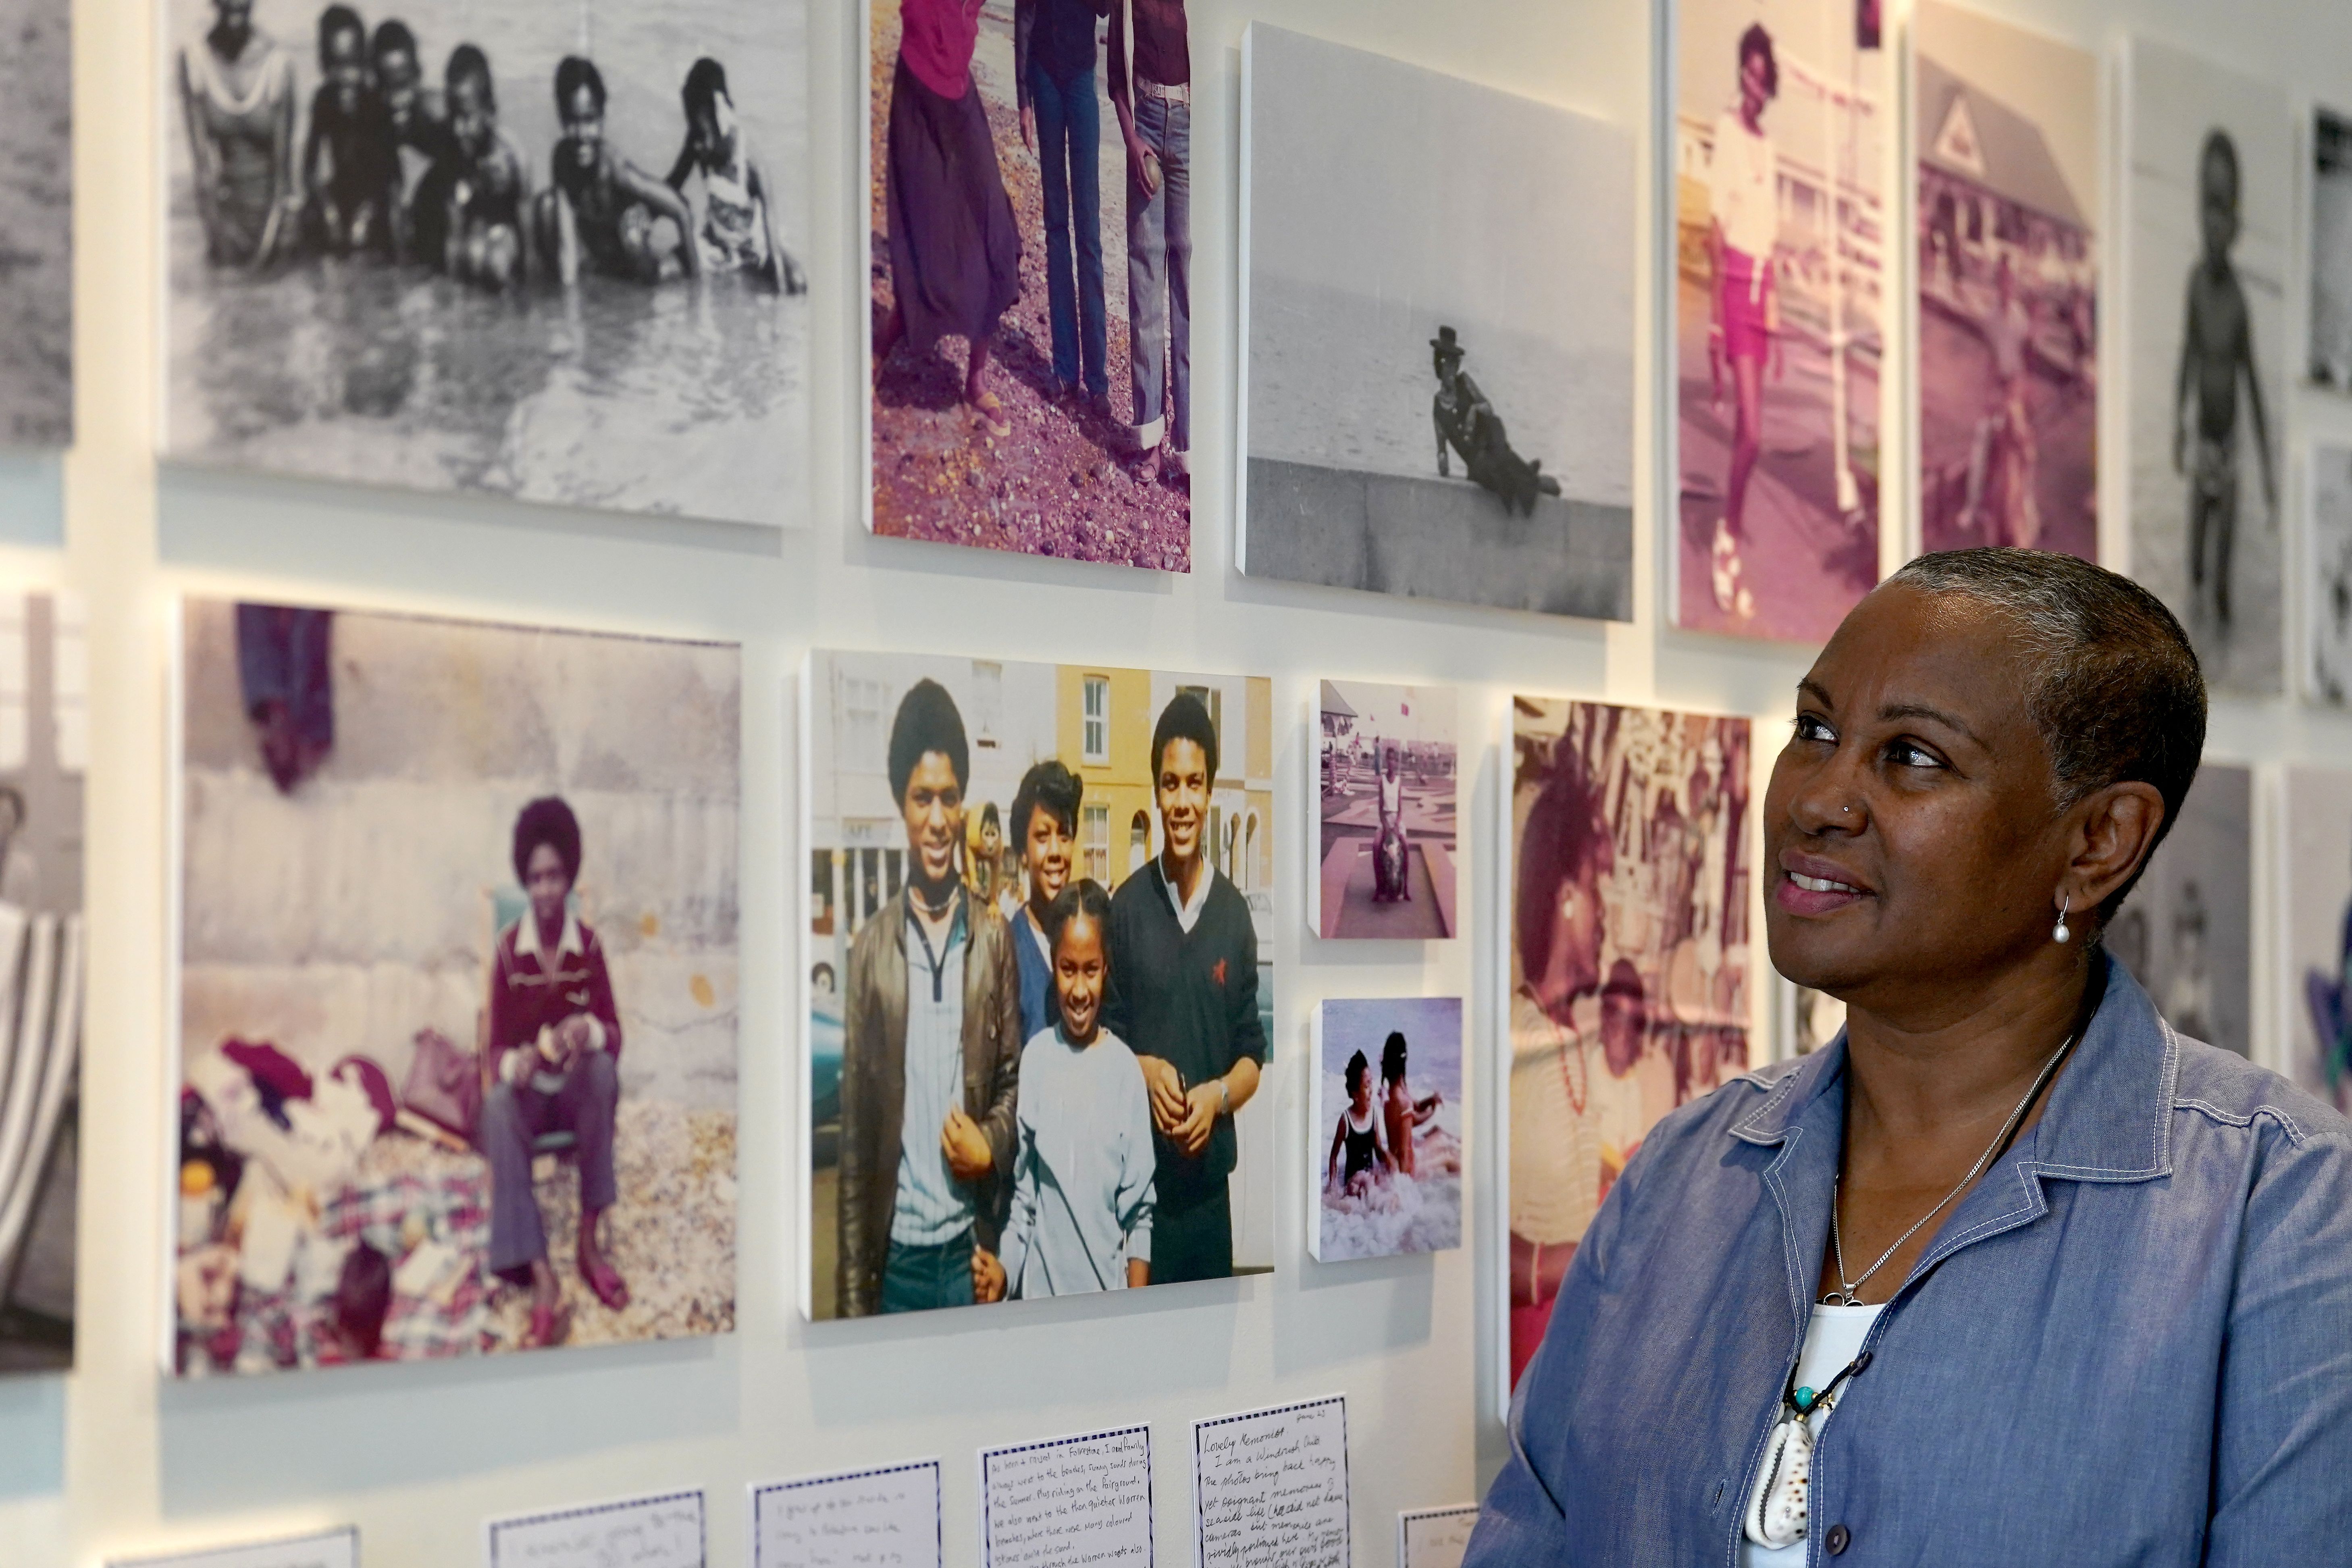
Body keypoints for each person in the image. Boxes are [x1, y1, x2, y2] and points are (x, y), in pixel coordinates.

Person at [1466, 548, 2352, 1566]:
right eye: (1814, 730)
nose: (1818, 798)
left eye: (1912, 757)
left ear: (2096, 840)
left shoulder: (2277, 1213)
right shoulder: (1681, 1175)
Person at [838, 680, 1022, 1315]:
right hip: (895, 1267)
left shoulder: (992, 934)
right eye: (922, 799)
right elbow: (857, 1143)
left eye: (948, 798)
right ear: (900, 803)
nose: (938, 819)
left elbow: (1011, 1082)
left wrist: (990, 1143)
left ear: (964, 802)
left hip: (968, 1256)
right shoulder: (869, 950)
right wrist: (851, 1306)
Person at [1103, 693, 1265, 1281]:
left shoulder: (1233, 915)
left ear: (1209, 790)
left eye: (1193, 784)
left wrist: (1218, 1095)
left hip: (1207, 1204)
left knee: (1210, 1368)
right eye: (1169, 784)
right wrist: (1141, 1069)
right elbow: (1101, 1037)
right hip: (1139, 1201)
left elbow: (1252, 1053)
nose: (1181, 801)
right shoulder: (1125, 908)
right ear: (1155, 790)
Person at [477, 796, 629, 1351]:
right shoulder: (508, 953)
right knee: (495, 1104)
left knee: (603, 1072)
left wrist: (587, 1031)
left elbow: (614, 1032)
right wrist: (512, 1063)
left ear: (569, 879)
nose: (544, 889)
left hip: (571, 1093)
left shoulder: (586, 947)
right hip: (530, 1098)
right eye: (535, 877)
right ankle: (541, 1272)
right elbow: (492, 1050)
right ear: (525, 880)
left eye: (555, 876)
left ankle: (588, 1245)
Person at [974, 880, 1156, 1300]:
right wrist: (1003, 1271)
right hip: (1041, 1318)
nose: (1078, 990)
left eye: (1090, 970)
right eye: (1067, 969)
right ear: (1053, 965)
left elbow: (1140, 1217)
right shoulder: (1035, 1061)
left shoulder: (1125, 1071)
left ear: (1106, 967)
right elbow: (1025, 1201)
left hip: (1108, 1321)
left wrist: (1138, 1313)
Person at [874, 0, 1023, 433]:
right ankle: (882, 347)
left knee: (996, 233)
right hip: (919, 88)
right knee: (925, 233)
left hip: (959, 89)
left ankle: (976, 379)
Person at [2173, 129, 2277, 630]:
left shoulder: (2239, 301)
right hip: (2204, 444)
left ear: (2234, 226)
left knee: (2222, 586)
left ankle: (2223, 643)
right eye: (2206, 213)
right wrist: (2177, 423)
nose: (2213, 227)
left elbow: (2254, 384)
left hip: (2231, 449)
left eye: (2223, 218)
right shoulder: (2195, 283)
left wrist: (2270, 471)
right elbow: (2187, 355)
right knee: (2193, 565)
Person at [1705, 23, 1783, 618]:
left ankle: (1728, 525)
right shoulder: (1727, 132)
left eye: (1761, 74)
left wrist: (1774, 320)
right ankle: (1724, 537)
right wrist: (1712, 322)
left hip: (1761, 292)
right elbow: (1714, 231)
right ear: (1740, 75)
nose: (1753, 84)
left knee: (1752, 434)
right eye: (1746, 73)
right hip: (1732, 285)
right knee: (1751, 430)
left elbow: (1771, 241)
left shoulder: (1769, 144)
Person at [1015, 0, 1112, 414]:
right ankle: (1065, 370)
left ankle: (1098, 381)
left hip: (1080, 76)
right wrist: (1023, 99)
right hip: (1043, 77)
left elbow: (1107, 10)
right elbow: (1023, 19)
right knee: (1057, 226)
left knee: (1088, 231)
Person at [1107, 0, 1190, 483]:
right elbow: (1116, 77)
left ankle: (1190, 445)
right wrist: (1131, 139)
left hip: (1190, 126)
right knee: (1145, 282)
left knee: (1188, 289)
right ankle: (1150, 440)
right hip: (1147, 129)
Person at [532, 56, 700, 285]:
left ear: (602, 117)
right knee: (545, 207)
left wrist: (699, 287)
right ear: (561, 118)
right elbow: (566, 236)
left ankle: (652, 284)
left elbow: (681, 210)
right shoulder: (561, 158)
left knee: (633, 232)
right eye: (572, 121)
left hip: (631, 253)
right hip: (600, 253)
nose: (582, 134)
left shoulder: (614, 167)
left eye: (590, 121)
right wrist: (569, 306)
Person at [663, 57, 805, 293]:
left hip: (756, 248)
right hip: (716, 244)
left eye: (700, 132)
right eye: (693, 131)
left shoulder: (748, 160)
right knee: (664, 270)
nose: (697, 145)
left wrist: (778, 297)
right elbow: (673, 185)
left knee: (798, 282)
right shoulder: (697, 142)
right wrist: (644, 211)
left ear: (719, 115)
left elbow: (770, 221)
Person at [179, 0, 299, 268]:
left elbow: (284, 180)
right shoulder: (194, 60)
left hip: (277, 226)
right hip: (225, 223)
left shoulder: (278, 64)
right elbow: (203, 175)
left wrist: (265, 253)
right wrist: (222, 243)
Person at [415, 45, 529, 289]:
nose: (458, 129)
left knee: (497, 262)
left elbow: (527, 233)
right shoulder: (454, 156)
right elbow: (453, 239)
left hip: (504, 233)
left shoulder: (511, 156)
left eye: (467, 118)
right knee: (474, 255)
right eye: (454, 116)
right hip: (473, 235)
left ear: (490, 113)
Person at [1431, 326, 1562, 517]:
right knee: (1502, 472)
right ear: (1439, 367)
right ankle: (1531, 478)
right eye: (1446, 364)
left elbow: (1488, 408)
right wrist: (1442, 460)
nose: (1451, 369)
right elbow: (1442, 452)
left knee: (1499, 451)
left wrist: (1473, 412)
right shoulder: (1438, 409)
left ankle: (1529, 477)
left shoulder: (1465, 382)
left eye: (1454, 364)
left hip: (1489, 445)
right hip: (1477, 464)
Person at [299, 5, 396, 256]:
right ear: (323, 64)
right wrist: (327, 210)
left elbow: (389, 173)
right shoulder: (324, 100)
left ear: (365, 62)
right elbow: (309, 167)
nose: (345, 76)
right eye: (336, 65)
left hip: (375, 195)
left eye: (353, 64)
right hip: (342, 193)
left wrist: (366, 214)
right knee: (309, 221)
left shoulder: (375, 102)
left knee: (378, 237)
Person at [1959, 254, 2040, 547]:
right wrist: (1989, 395)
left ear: (2014, 285)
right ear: (1997, 284)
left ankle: (2027, 513)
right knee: (1982, 440)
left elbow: (2026, 360)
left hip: (2016, 387)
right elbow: (1990, 358)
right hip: (1998, 385)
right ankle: (1972, 506)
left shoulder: (2021, 319)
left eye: (2010, 281)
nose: (2006, 286)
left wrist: (2021, 392)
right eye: (2002, 281)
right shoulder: (1989, 319)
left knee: (2024, 450)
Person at [1007, 761, 1083, 1044]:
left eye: (1064, 835)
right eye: (1042, 836)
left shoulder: (1091, 941)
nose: (1055, 852)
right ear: (1023, 851)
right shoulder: (1008, 951)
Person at [1325, 1049, 1392, 1200]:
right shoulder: (1346, 1120)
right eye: (1367, 1086)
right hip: (1353, 1183)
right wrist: (1333, 1186)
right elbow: (1334, 1156)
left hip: (1369, 1178)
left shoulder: (1374, 1115)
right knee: (1366, 1184)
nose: (1371, 1091)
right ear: (1355, 1094)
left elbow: (1378, 1148)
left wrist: (1389, 1162)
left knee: (1382, 1184)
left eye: (1372, 1084)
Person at [1380, 1031, 1440, 1178]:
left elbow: (1416, 1107)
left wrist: (1432, 1100)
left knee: (1437, 1131)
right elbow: (1414, 1119)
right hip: (1407, 1169)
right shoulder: (1403, 1102)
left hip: (1398, 1162)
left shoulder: (1392, 1094)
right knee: (1448, 1156)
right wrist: (1433, 1111)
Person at [1374, 743, 1411, 903]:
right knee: (1376, 845)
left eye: (1393, 760)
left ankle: (1406, 888)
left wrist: (1396, 825)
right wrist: (1386, 826)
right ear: (1386, 761)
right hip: (1385, 821)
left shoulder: (1399, 781)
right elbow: (1381, 808)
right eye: (1388, 759)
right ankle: (1379, 887)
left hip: (1397, 820)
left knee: (1406, 846)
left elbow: (1401, 808)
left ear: (1396, 762)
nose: (1391, 762)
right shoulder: (1382, 781)